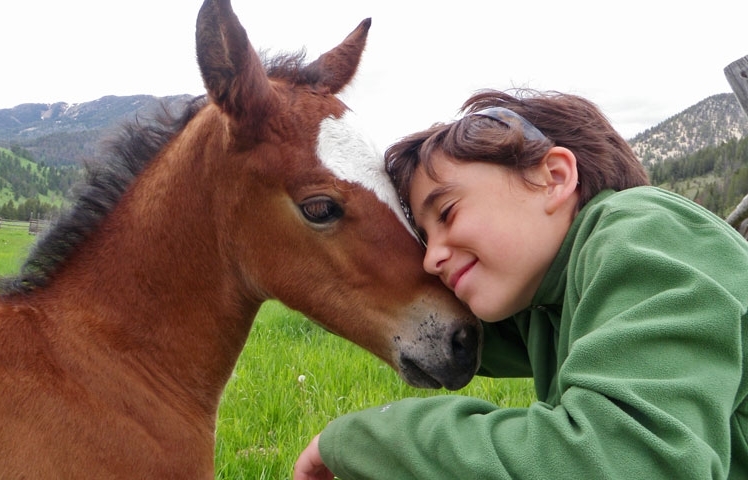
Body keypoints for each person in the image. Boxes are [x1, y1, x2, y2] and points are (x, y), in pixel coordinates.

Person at [293, 89, 748, 479]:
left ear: (553, 178)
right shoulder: (549, 302)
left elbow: (625, 462)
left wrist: (362, 440)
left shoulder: (646, 234)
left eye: (448, 213)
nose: (432, 258)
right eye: (427, 238)